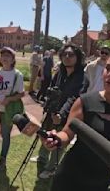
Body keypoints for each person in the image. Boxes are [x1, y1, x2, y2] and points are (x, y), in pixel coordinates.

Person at [42, 51, 110, 190]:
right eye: (108, 68)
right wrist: (56, 139)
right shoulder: (85, 101)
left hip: (101, 182)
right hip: (70, 176)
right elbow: (67, 133)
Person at [31, 44, 84, 179]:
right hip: (52, 110)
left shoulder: (81, 77)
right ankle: (42, 157)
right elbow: (52, 88)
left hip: (67, 114)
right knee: (44, 133)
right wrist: (48, 104)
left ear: (77, 58)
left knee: (58, 140)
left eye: (71, 55)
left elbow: (74, 97)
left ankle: (51, 168)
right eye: (65, 54)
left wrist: (61, 114)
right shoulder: (60, 72)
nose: (67, 57)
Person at [0, 46, 25, 171]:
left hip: (8, 112)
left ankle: (2, 161)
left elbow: (22, 93)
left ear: (12, 59)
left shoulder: (17, 75)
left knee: (5, 136)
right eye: (2, 55)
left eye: (8, 56)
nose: (4, 58)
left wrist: (8, 99)